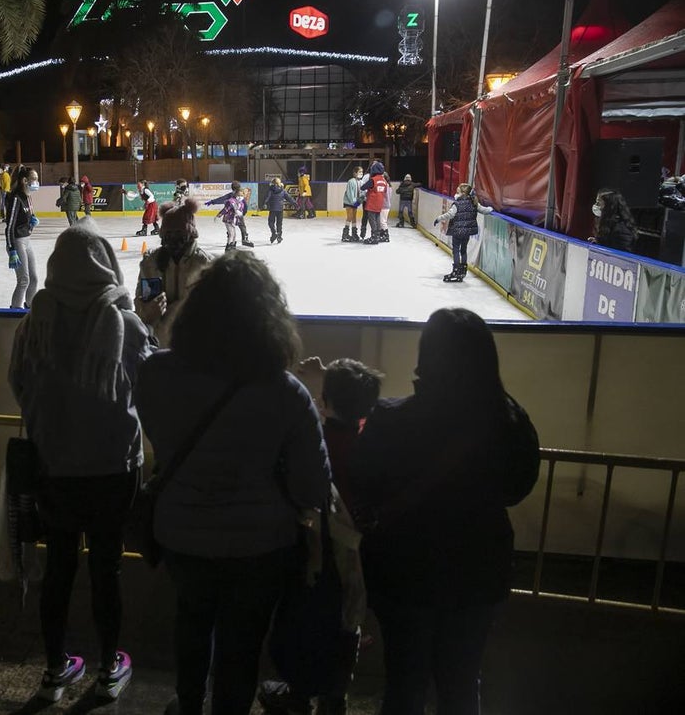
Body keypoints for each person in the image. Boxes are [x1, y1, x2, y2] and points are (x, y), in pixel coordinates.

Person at [135, 252, 330, 715]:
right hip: (260, 548)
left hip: (182, 535)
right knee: (241, 645)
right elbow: (313, 488)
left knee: (191, 621)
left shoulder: (156, 373)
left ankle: (187, 704)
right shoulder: (287, 393)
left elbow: (161, 438)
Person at [350, 307, 540, 715]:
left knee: (404, 683)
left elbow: (360, 485)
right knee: (460, 684)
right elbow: (517, 488)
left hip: (405, 575)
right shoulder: (510, 423)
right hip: (477, 574)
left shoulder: (390, 420)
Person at [9, 223, 157, 704]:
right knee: (106, 570)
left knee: (59, 568)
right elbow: (150, 389)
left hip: (54, 469)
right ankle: (108, 664)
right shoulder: (125, 326)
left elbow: (19, 385)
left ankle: (55, 669)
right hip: (113, 472)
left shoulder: (34, 324)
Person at [260, 356, 382, 715]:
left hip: (316, 550)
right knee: (348, 625)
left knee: (305, 621)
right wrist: (324, 379)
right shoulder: (367, 441)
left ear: (326, 402)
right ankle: (336, 696)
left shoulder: (318, 441)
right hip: (357, 557)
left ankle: (298, 693)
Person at [135, 199, 210, 346]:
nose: (173, 238)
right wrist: (146, 311)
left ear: (190, 234)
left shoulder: (204, 264)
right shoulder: (151, 263)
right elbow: (141, 304)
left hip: (193, 348)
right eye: (168, 233)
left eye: (179, 232)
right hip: (157, 345)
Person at [434, 183, 494, 282]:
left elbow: (450, 214)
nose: (455, 194)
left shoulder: (457, 203)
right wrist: (490, 209)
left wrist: (439, 218)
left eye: (457, 192)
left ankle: (456, 270)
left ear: (462, 193)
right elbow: (484, 210)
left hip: (457, 231)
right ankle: (463, 270)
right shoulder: (474, 202)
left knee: (456, 250)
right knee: (463, 250)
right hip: (467, 232)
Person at [4, 166, 40, 309]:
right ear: (25, 180)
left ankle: (30, 307)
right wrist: (12, 249)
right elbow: (10, 226)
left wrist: (32, 222)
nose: (37, 182)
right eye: (34, 179)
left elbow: (28, 217)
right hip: (17, 241)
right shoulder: (15, 198)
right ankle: (14, 311)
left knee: (34, 278)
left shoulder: (28, 197)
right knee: (23, 279)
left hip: (27, 240)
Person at [589, 188, 636, 253]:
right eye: (596, 202)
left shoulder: (622, 229)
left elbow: (622, 254)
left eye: (599, 203)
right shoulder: (604, 222)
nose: (596, 205)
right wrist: (599, 242)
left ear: (609, 206)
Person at [361, 161, 390, 245]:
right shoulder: (384, 181)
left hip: (372, 203)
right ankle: (377, 235)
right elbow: (384, 191)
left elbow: (363, 187)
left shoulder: (373, 180)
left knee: (372, 219)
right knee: (377, 219)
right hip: (379, 203)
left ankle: (374, 237)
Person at [264, 176, 297, 245]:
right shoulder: (283, 190)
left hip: (272, 209)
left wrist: (264, 203)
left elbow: (268, 197)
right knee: (279, 224)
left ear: (272, 183)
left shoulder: (270, 190)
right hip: (280, 209)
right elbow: (289, 198)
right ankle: (279, 236)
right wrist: (295, 203)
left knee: (271, 222)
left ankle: (274, 233)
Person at [342, 167, 364, 242]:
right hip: (349, 202)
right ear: (355, 173)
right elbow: (350, 193)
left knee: (354, 217)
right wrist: (354, 202)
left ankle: (354, 233)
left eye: (362, 172)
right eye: (359, 172)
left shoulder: (361, 182)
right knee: (350, 216)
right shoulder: (351, 181)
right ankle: (345, 234)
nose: (361, 173)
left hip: (355, 202)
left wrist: (360, 200)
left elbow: (361, 192)